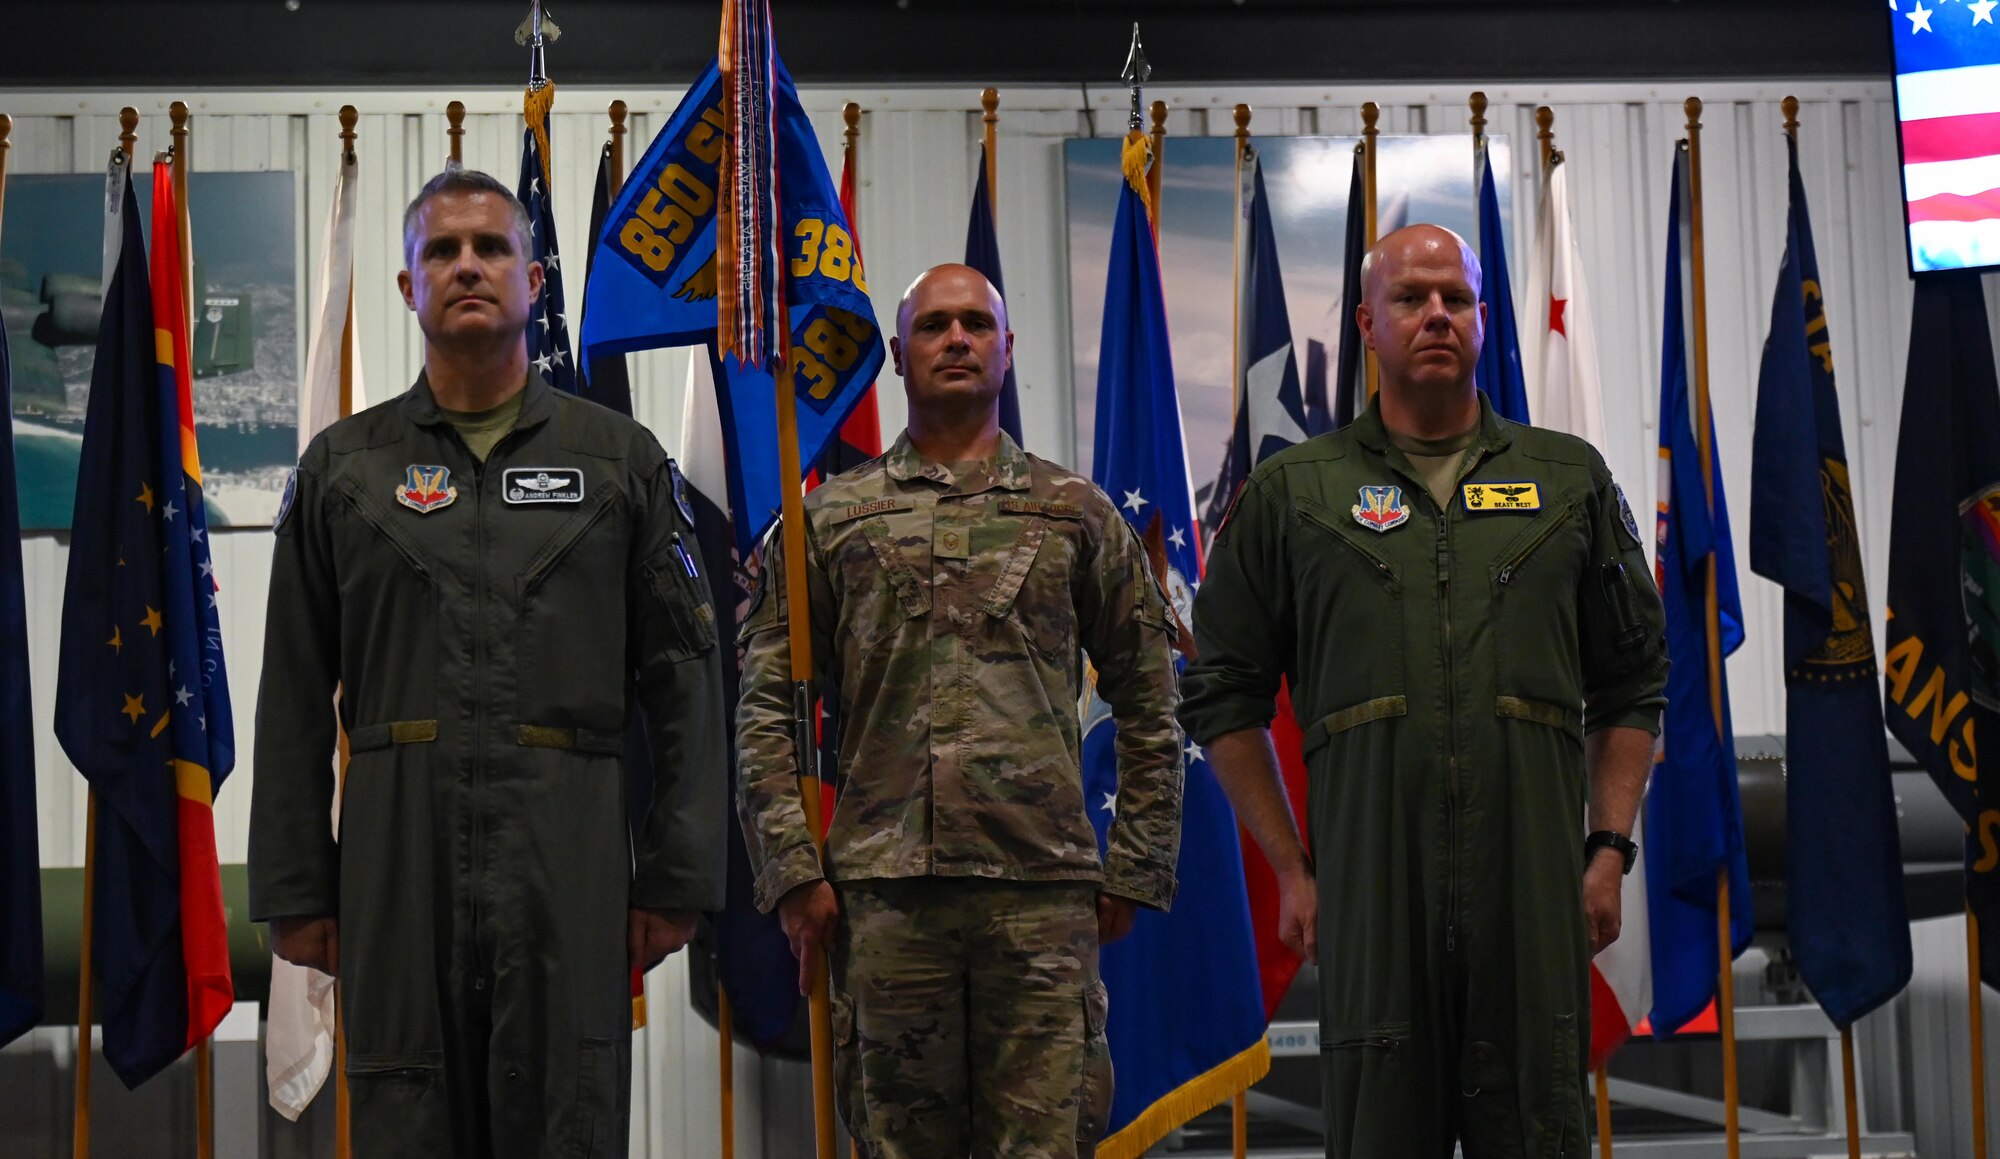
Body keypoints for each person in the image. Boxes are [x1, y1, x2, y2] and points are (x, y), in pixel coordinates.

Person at [247, 168, 726, 1158]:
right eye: (441, 251)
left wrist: (677, 873)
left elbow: (683, 679)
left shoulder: (619, 462)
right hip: (393, 856)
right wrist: (296, 887)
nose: (467, 265)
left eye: (491, 247)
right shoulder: (344, 469)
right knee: (403, 1111)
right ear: (406, 287)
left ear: (535, 280)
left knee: (565, 1111)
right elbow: (293, 691)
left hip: (570, 855)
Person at [1181, 224, 1668, 1158]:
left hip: (1533, 903)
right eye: (1411, 298)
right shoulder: (1296, 494)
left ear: (1484, 319)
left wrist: (1606, 850)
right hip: (1373, 904)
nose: (1436, 314)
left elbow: (1634, 679)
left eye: (1456, 297)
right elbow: (1222, 693)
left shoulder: (1567, 482)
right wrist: (1291, 867)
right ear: (1368, 322)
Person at [735, 264, 1184, 1158]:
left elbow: (1151, 694)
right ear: (898, 354)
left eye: (977, 323)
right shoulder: (830, 521)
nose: (956, 338)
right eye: (934, 324)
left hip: (1042, 900)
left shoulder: (1075, 513)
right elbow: (764, 710)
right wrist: (790, 872)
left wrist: (1136, 865)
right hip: (886, 900)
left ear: (1008, 349)